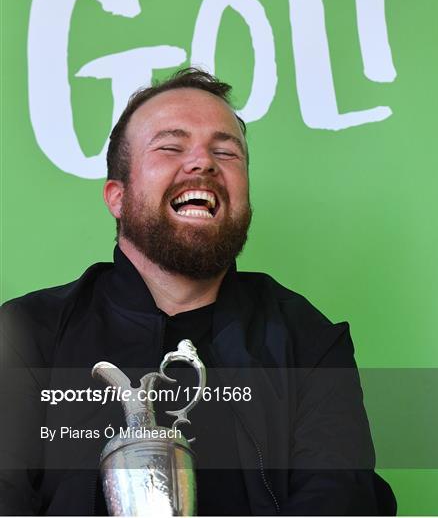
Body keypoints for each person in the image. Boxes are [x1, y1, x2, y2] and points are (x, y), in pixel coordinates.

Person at [0, 68, 396, 516]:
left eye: (226, 152)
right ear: (117, 196)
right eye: (171, 146)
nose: (203, 162)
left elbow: (340, 494)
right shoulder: (25, 335)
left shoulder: (308, 340)